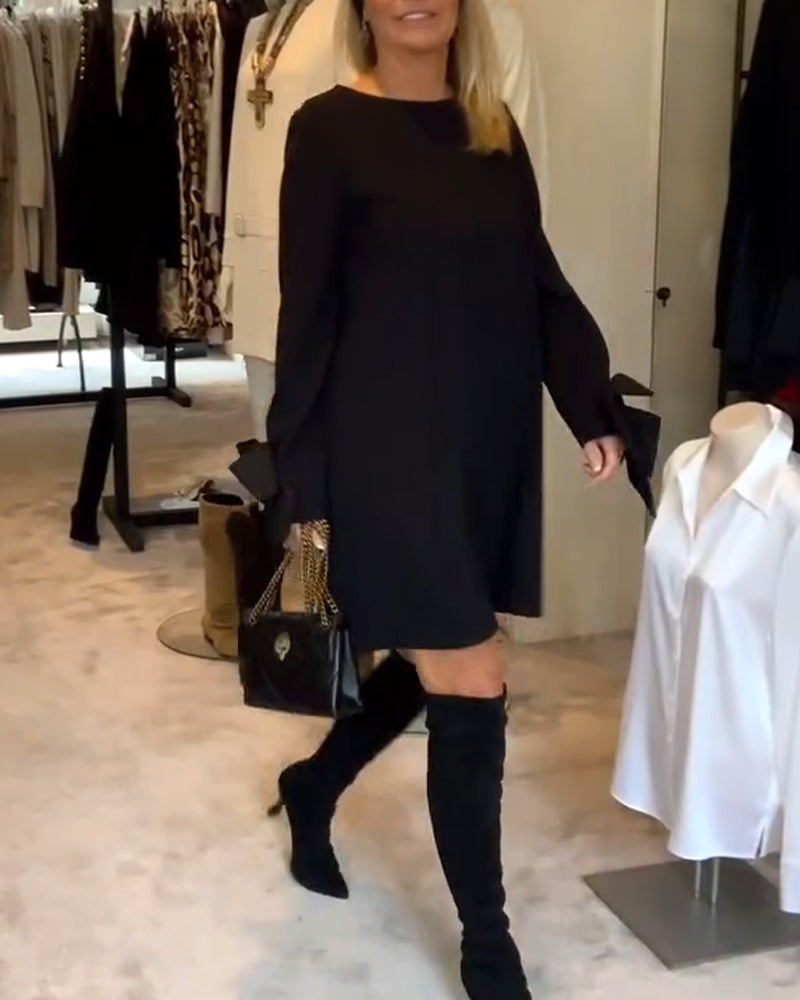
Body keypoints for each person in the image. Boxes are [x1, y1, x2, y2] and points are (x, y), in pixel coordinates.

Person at [265, 0, 623, 996]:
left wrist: (590, 406)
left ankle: (312, 783)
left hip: (481, 443)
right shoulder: (328, 128)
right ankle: (487, 946)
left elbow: (539, 285)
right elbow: (307, 314)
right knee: (470, 670)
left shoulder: (491, 131)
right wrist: (299, 478)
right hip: (383, 448)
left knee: (442, 650)